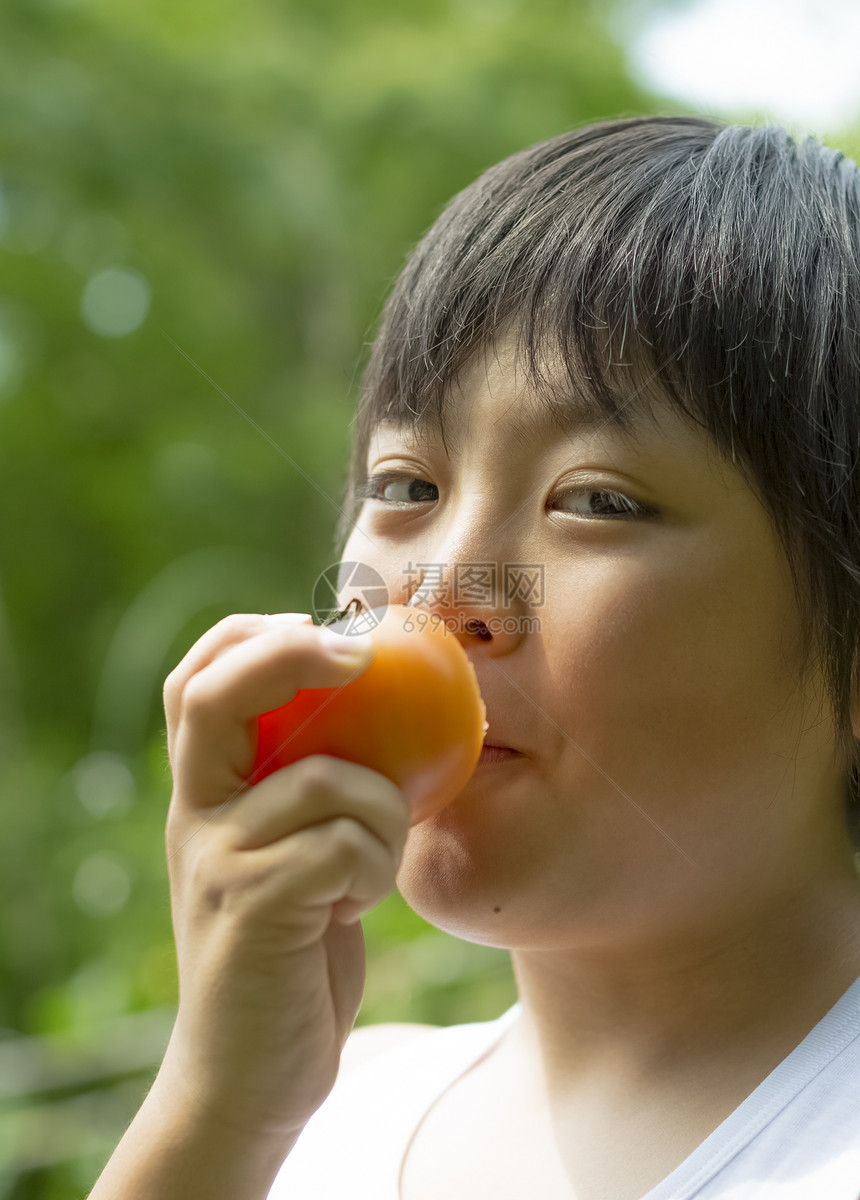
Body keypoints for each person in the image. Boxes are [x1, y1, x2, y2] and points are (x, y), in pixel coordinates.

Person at [88, 115, 860, 1199]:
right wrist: (212, 1111)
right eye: (406, 484)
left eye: (596, 501)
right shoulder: (316, 1114)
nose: (444, 596)